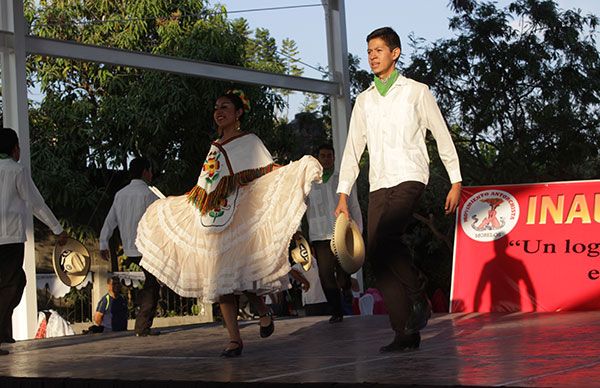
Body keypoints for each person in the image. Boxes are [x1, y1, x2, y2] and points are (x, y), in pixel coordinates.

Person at [135, 90, 322, 357]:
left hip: (239, 214)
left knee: (239, 273)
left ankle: (263, 311)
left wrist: (293, 172)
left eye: (225, 107)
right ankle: (234, 339)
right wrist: (185, 199)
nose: (219, 111)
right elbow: (205, 185)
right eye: (216, 107)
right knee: (220, 280)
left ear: (238, 113)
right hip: (212, 220)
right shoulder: (215, 146)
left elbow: (267, 170)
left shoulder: (250, 141)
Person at [335, 27, 462, 352]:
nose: (372, 56)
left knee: (386, 238)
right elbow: (352, 150)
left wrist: (455, 179)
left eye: (379, 50)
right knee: (376, 256)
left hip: (410, 176)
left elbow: (441, 133)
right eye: (369, 51)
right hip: (379, 182)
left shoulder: (417, 92)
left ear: (395, 53)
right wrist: (343, 194)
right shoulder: (364, 101)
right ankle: (405, 331)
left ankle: (419, 294)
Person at [0, 127, 68, 355]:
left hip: (8, 238)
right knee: (13, 284)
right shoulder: (16, 171)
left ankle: (4, 333)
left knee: (12, 285)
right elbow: (36, 203)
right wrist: (57, 229)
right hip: (9, 238)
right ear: (14, 148)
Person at [99, 157, 160, 337]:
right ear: (145, 172)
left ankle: (142, 324)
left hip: (129, 249)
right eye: (149, 170)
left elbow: (110, 221)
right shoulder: (149, 195)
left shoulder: (120, 194)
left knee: (149, 285)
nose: (151, 174)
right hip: (147, 249)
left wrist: (103, 243)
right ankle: (142, 326)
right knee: (152, 286)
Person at [304, 143, 363, 323]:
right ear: (318, 158)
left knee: (343, 272)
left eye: (330, 155)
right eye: (323, 155)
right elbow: (301, 209)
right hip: (320, 235)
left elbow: (353, 205)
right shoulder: (308, 183)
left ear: (334, 158)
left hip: (341, 232)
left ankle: (345, 289)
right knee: (325, 274)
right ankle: (337, 311)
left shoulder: (342, 180)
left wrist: (358, 231)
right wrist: (304, 238)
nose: (327, 159)